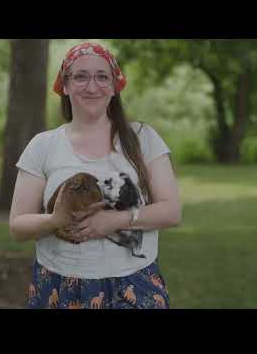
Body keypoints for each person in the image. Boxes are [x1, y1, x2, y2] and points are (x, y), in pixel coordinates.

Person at [9, 42, 182, 309]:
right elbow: (18, 227)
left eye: (102, 76)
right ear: (64, 86)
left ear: (114, 86)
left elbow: (171, 212)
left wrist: (114, 220)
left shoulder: (142, 138)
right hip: (58, 285)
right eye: (80, 76)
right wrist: (56, 219)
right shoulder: (43, 145)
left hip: (134, 284)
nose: (92, 86)